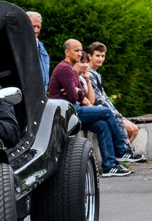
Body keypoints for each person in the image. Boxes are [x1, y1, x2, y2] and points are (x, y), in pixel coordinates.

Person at [48, 39, 134, 177]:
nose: (79, 53)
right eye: (76, 50)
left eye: (80, 50)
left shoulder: (71, 70)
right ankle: (121, 150)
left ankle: (109, 166)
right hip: (67, 111)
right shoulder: (64, 68)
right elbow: (73, 97)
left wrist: (78, 91)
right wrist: (77, 92)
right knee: (106, 112)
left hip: (74, 108)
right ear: (66, 52)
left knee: (102, 125)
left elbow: (80, 94)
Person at [86, 42, 145, 161]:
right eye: (97, 55)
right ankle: (123, 153)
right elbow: (99, 100)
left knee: (134, 129)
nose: (100, 59)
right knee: (126, 126)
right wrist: (117, 115)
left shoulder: (96, 74)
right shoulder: (88, 73)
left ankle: (121, 156)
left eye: (103, 56)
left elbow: (105, 97)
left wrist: (118, 114)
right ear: (89, 56)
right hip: (93, 110)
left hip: (102, 110)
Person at [28, 11, 50, 89]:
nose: (36, 30)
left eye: (38, 27)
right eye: (33, 26)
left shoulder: (41, 47)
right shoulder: (19, 46)